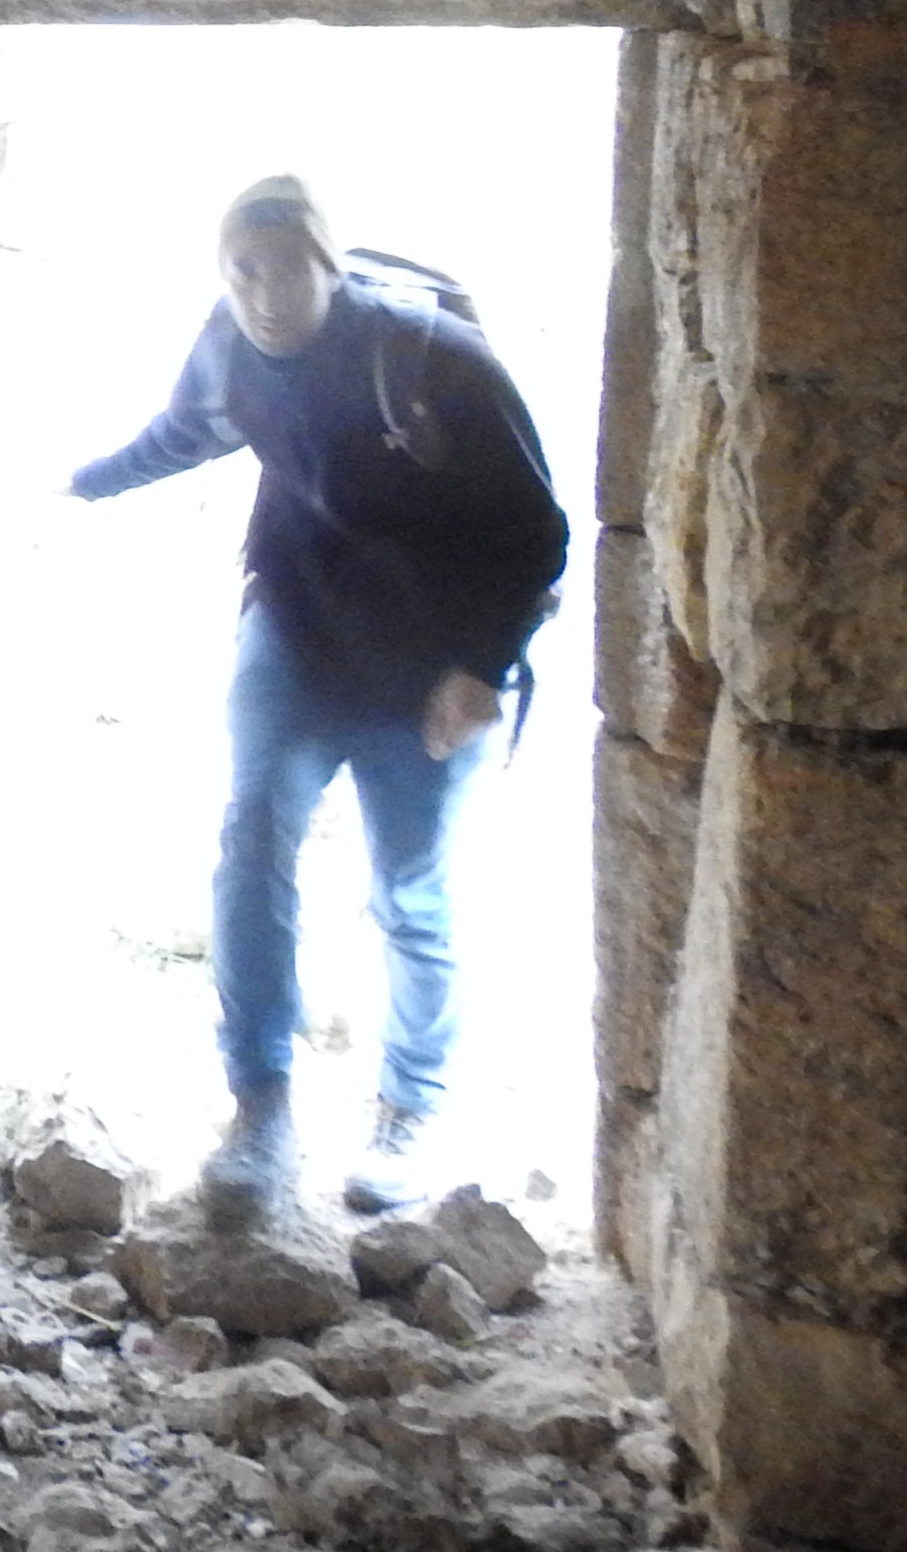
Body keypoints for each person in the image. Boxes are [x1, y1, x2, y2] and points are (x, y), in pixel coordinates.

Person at [68, 174, 567, 1219]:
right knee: (253, 836)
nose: (262, 292)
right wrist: (82, 479)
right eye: (241, 270)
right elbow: (188, 429)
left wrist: (481, 666)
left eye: (283, 266)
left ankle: (409, 1112)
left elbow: (537, 531)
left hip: (432, 659)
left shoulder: (430, 360)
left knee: (412, 888)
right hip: (296, 631)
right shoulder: (230, 343)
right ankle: (261, 1105)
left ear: (328, 265)